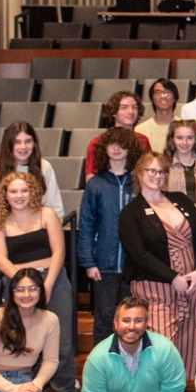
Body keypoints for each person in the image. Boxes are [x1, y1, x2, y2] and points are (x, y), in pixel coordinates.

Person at [119, 151, 196, 384]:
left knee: (189, 344)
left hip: (192, 286)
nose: (157, 176)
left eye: (161, 171)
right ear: (139, 173)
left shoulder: (181, 199)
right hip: (154, 289)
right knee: (160, 346)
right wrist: (172, 278)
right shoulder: (131, 212)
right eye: (151, 170)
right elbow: (139, 254)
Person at [0, 169, 75, 392]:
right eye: (13, 191)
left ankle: (65, 391)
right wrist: (25, 284)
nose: (19, 195)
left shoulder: (47, 214)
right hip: (18, 283)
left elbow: (59, 252)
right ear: (5, 194)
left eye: (24, 190)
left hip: (53, 279)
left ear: (32, 192)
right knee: (27, 339)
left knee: (61, 340)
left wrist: (47, 284)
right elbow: (0, 259)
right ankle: (30, 388)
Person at [78, 127, 140, 347]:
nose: (116, 148)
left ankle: (132, 366)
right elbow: (86, 225)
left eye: (121, 144)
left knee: (133, 319)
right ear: (104, 149)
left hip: (134, 266)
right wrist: (88, 261)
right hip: (103, 265)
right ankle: (102, 368)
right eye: (111, 144)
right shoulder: (96, 184)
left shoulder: (139, 183)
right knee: (104, 318)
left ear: (130, 149)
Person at [0, 122, 65, 246]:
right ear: (8, 145)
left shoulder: (45, 167)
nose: (23, 147)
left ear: (34, 143)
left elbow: (56, 210)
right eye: (17, 142)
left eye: (28, 141)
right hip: (0, 244)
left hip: (36, 245)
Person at [82, 297, 188, 392]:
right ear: (115, 322)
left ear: (146, 323)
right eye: (126, 320)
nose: (131, 327)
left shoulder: (166, 350)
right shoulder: (97, 358)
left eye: (138, 321)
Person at [135, 78, 181, 154]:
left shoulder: (185, 127)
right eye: (158, 92)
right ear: (152, 99)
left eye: (168, 92)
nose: (163, 96)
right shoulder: (140, 130)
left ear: (174, 98)